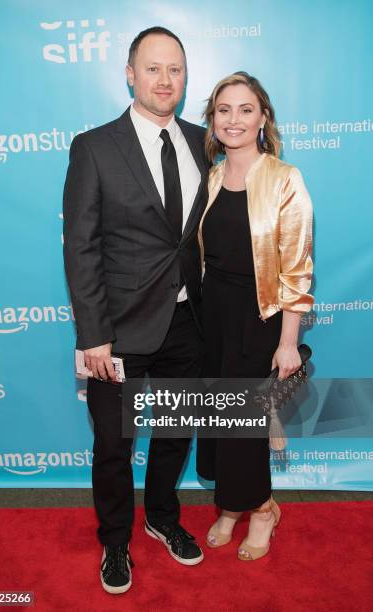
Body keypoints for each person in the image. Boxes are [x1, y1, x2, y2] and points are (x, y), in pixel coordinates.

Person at [63, 27, 209, 594]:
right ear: (130, 74)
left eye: (174, 69)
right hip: (117, 331)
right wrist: (93, 334)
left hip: (188, 322)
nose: (165, 80)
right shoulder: (95, 146)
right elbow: (80, 245)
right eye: (153, 69)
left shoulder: (204, 142)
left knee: (176, 432)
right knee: (114, 444)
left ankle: (163, 518)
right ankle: (116, 539)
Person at [197, 72, 314, 561]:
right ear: (213, 120)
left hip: (258, 316)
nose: (234, 119)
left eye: (246, 109)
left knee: (243, 425)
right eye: (224, 109)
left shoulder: (284, 178)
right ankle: (231, 504)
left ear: (263, 117)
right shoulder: (211, 176)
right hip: (212, 315)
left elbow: (296, 268)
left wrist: (287, 342)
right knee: (218, 420)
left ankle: (261, 509)